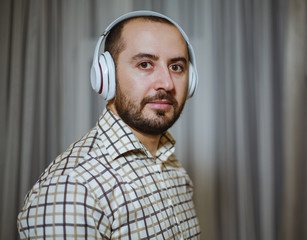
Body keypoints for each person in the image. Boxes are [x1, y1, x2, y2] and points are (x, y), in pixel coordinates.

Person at [17, 10, 200, 239]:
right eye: (145, 64)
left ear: (190, 80)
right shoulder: (73, 187)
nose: (166, 83)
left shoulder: (169, 164)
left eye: (176, 67)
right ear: (106, 76)